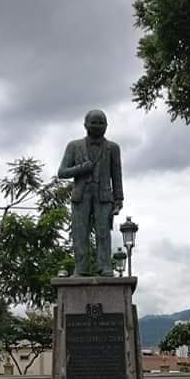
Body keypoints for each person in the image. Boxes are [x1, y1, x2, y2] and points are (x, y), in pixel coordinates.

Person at [57, 109, 124, 276]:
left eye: (101, 123)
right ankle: (81, 268)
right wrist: (82, 168)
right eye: (94, 122)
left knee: (103, 232)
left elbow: (117, 175)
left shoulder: (113, 148)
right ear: (85, 125)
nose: (97, 126)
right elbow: (62, 172)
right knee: (80, 233)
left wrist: (119, 198)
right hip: (81, 195)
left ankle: (104, 266)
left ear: (107, 125)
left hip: (104, 196)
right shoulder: (74, 146)